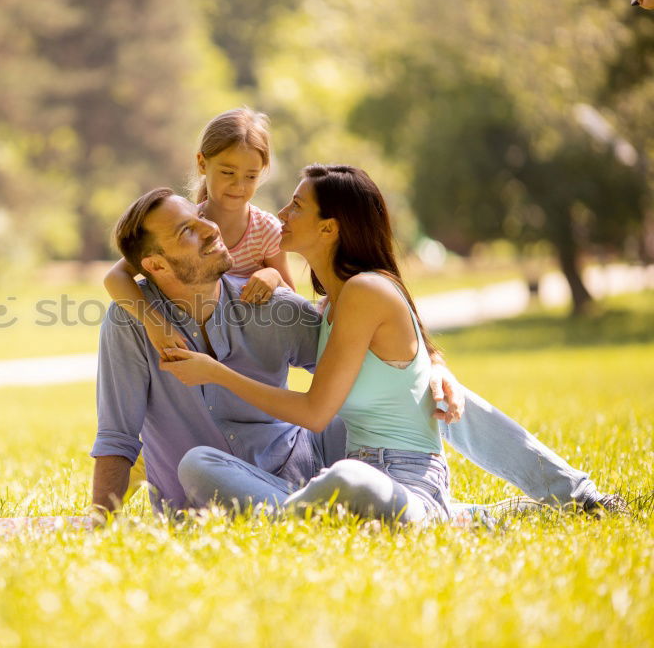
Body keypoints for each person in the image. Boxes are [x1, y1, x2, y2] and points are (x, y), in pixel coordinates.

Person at [90, 184, 627, 519]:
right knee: (196, 464)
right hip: (220, 487)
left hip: (308, 461)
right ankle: (449, 514)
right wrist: (100, 523)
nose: (211, 228)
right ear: (156, 267)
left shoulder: (267, 306)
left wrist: (436, 367)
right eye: (188, 231)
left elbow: (380, 353)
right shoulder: (130, 324)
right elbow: (117, 436)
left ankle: (573, 492)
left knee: (418, 390)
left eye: (201, 217)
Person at [160, 165, 455, 522]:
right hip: (345, 465)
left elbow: (314, 414)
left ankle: (297, 511)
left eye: (296, 206)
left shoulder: (365, 290)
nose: (282, 214)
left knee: (349, 478)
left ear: (328, 228)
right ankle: (308, 510)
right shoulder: (333, 302)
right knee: (196, 465)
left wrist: (217, 374)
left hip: (402, 481)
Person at [104, 108, 295, 359]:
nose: (239, 186)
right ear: (202, 163)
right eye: (228, 172)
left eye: (251, 176)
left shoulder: (266, 230)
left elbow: (292, 303)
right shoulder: (183, 225)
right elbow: (115, 277)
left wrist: (271, 275)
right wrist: (155, 324)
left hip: (247, 353)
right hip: (192, 344)